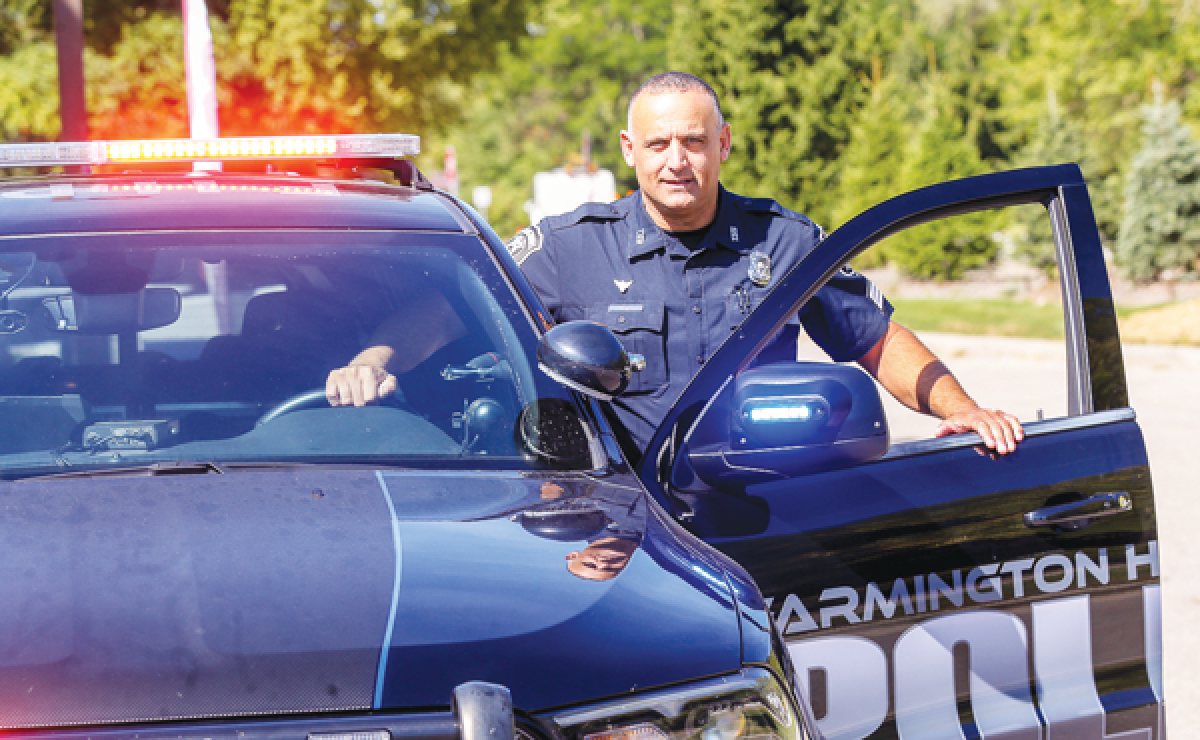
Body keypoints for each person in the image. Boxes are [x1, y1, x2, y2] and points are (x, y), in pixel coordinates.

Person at [331, 71, 1023, 464]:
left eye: (693, 140)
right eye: (658, 142)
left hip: (767, 499)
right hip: (626, 514)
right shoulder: (571, 247)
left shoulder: (783, 241)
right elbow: (455, 308)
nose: (676, 160)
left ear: (722, 143)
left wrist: (962, 409)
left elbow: (874, 337)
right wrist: (373, 354)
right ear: (631, 150)